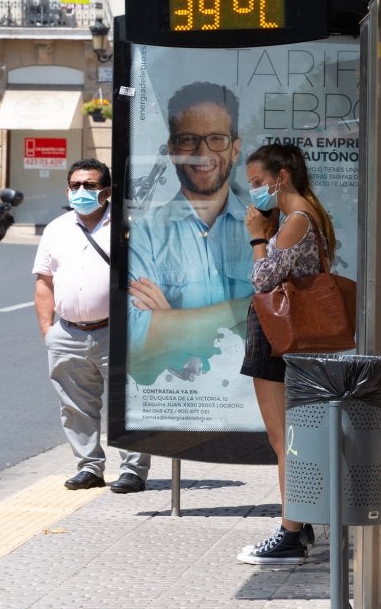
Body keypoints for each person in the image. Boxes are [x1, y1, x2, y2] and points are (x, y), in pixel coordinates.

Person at [238, 143, 339, 565]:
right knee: (288, 437)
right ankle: (301, 521)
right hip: (284, 337)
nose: (254, 193)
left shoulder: (296, 220)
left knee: (284, 440)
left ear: (281, 177)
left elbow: (263, 279)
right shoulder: (308, 216)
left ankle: (290, 532)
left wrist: (258, 237)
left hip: (276, 336)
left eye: (258, 183)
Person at [33, 159, 151, 494]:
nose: (82, 191)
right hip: (68, 332)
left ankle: (133, 470)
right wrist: (48, 331)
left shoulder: (127, 226)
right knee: (74, 406)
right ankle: (89, 467)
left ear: (107, 191)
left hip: (116, 330)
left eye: (90, 185)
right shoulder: (57, 228)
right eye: (76, 186)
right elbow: (44, 281)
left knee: (127, 402)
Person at [128, 82, 253, 384]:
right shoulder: (144, 233)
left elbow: (289, 321)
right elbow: (136, 343)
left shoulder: (268, 226)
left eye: (216, 139)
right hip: (180, 404)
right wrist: (250, 307)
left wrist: (170, 323)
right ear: (172, 149)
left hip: (253, 401)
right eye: (188, 140)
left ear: (235, 149)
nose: (202, 152)